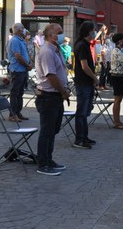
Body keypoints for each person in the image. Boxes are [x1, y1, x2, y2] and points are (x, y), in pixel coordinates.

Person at [34, 23, 71, 175]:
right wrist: (63, 91)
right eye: (59, 32)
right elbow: (51, 75)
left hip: (56, 96)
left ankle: (48, 159)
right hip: (48, 96)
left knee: (53, 130)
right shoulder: (47, 51)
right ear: (51, 35)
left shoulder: (56, 49)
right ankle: (43, 163)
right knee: (47, 131)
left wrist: (65, 89)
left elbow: (61, 71)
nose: (62, 35)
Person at [73, 21, 98, 149]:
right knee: (81, 112)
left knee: (86, 111)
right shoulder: (82, 45)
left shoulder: (85, 44)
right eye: (93, 30)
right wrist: (94, 77)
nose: (94, 33)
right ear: (89, 31)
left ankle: (84, 136)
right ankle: (79, 139)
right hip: (83, 82)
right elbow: (84, 66)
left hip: (87, 82)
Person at [7, 22, 31, 122]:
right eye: (23, 28)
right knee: (15, 93)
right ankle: (12, 114)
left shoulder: (21, 40)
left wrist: (30, 63)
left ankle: (17, 112)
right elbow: (18, 56)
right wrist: (27, 65)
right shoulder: (15, 40)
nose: (24, 30)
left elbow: (25, 54)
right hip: (17, 70)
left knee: (20, 93)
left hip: (23, 70)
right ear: (19, 30)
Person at [109, 33, 123, 129]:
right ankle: (117, 122)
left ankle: (117, 121)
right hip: (118, 77)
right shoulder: (117, 51)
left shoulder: (118, 50)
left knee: (118, 100)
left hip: (119, 76)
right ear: (119, 41)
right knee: (117, 100)